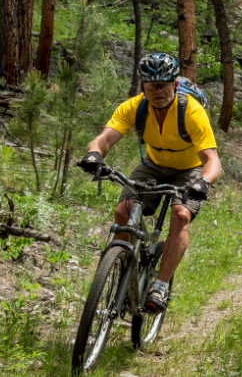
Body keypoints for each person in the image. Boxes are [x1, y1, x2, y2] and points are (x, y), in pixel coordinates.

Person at [77, 52, 222, 314]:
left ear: (174, 85)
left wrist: (203, 182)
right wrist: (93, 154)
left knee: (180, 214)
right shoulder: (134, 108)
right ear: (142, 86)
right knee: (123, 211)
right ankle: (122, 267)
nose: (158, 91)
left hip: (189, 169)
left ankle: (160, 286)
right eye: (151, 85)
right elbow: (104, 139)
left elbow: (212, 161)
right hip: (152, 165)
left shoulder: (191, 112)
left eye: (164, 85)